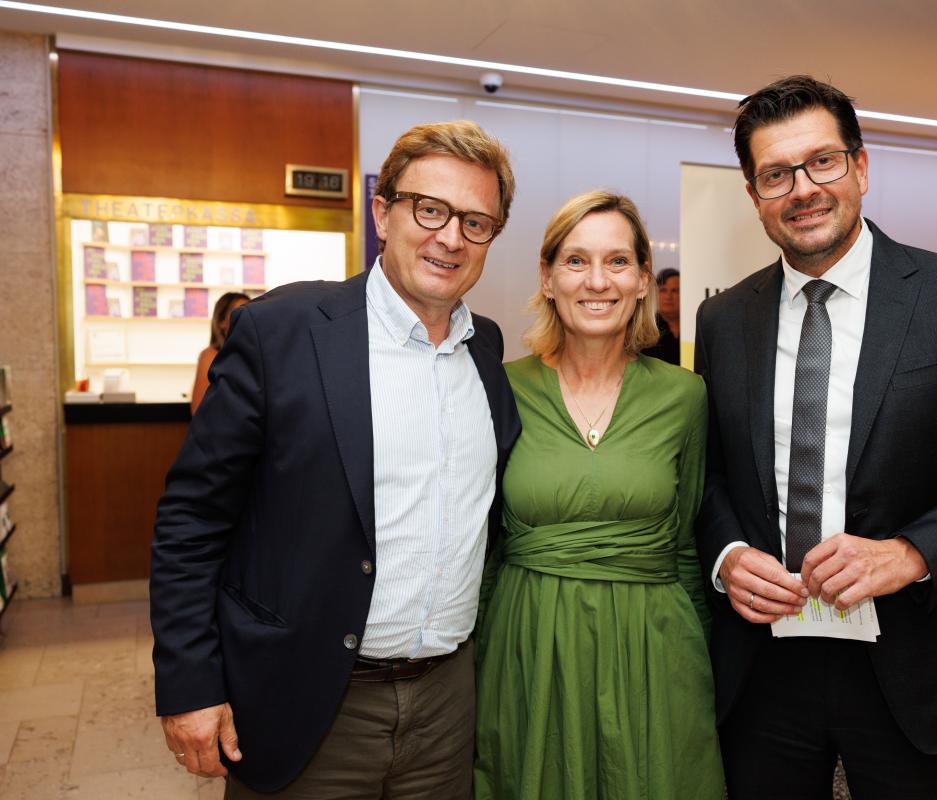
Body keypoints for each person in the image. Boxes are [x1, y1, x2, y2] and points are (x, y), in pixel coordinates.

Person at [693, 74, 937, 799]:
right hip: (764, 667)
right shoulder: (725, 320)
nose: (803, 189)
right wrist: (728, 555)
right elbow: (709, 475)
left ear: (861, 167)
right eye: (776, 174)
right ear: (754, 195)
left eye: (822, 162)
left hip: (917, 661)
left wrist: (912, 552)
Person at [151, 120, 520, 797]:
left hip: (447, 705)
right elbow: (191, 519)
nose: (450, 238)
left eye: (475, 222)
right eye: (429, 209)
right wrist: (189, 682)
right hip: (307, 697)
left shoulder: (486, 351)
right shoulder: (283, 331)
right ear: (383, 214)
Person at [473, 191, 723, 799]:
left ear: (641, 280)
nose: (597, 281)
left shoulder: (684, 396)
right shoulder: (499, 388)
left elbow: (688, 544)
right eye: (576, 260)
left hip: (653, 649)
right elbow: (482, 547)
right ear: (547, 277)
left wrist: (702, 669)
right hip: (528, 644)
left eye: (617, 261)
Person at [190, 291, 249, 414]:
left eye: (249, 313)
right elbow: (198, 410)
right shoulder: (210, 356)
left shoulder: (252, 355)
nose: (246, 319)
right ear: (221, 322)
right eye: (239, 314)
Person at [643, 267, 681, 364]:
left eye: (674, 291)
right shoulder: (645, 330)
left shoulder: (694, 328)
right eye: (663, 290)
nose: (668, 296)